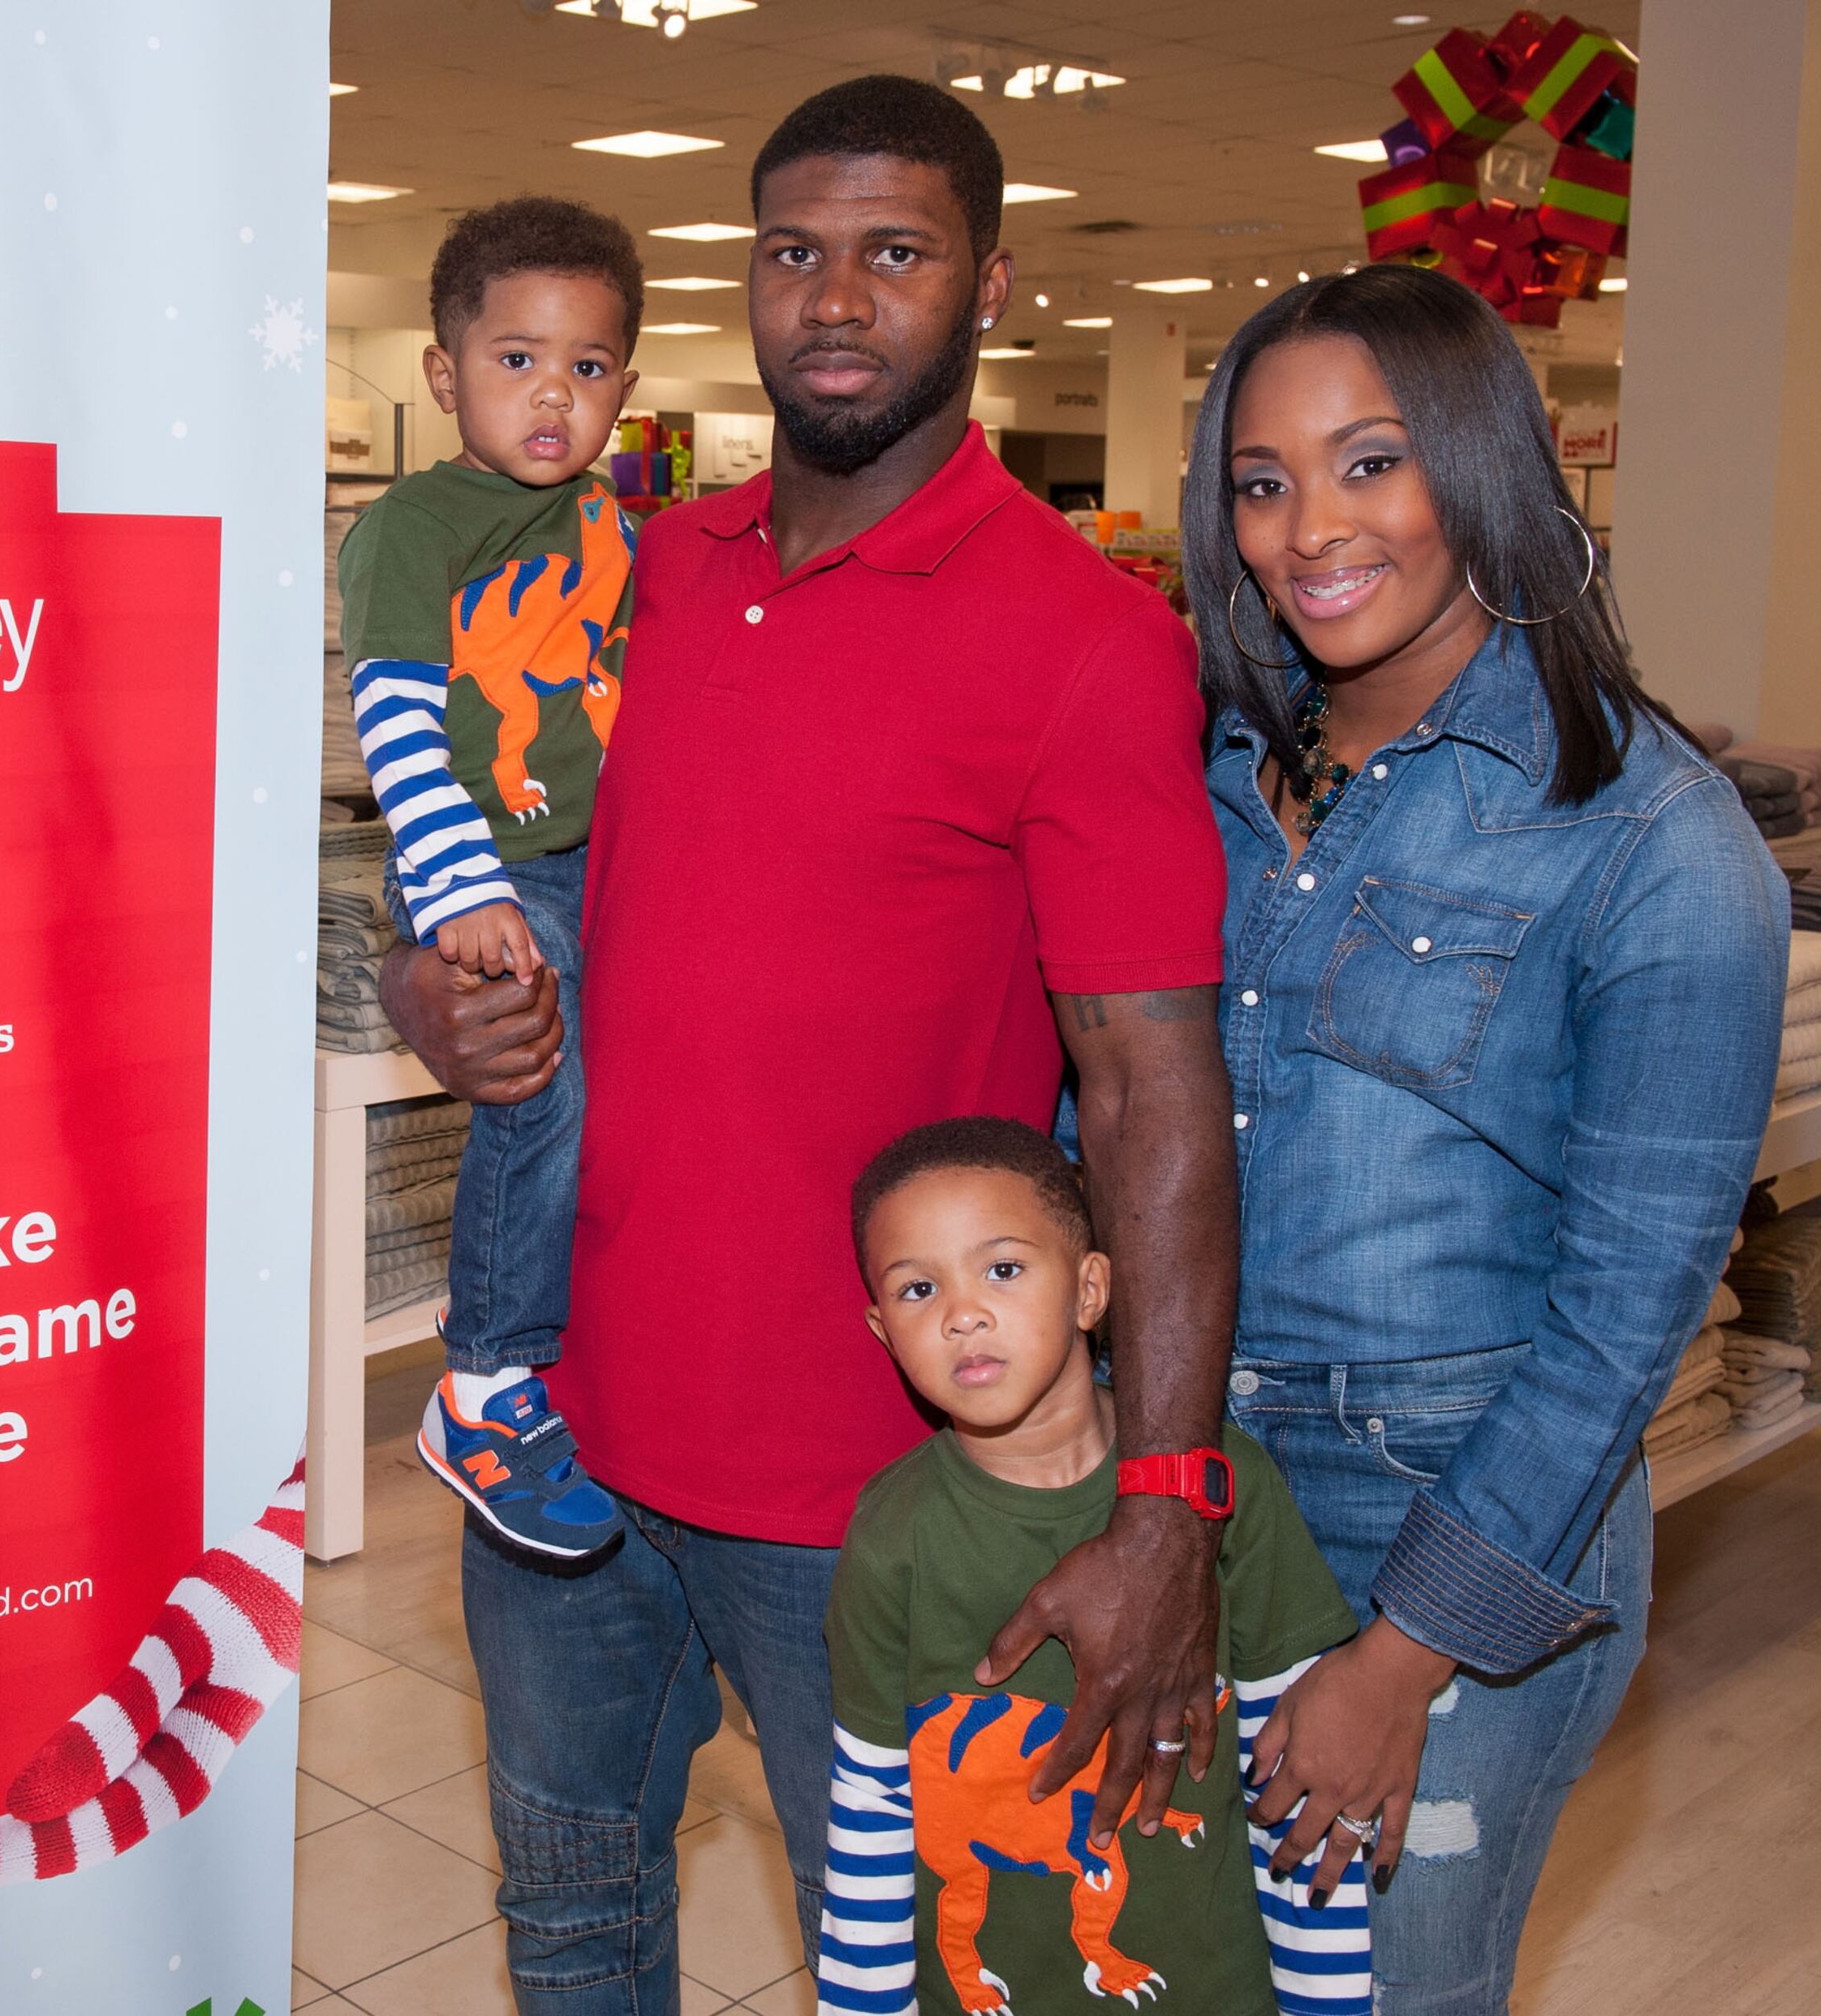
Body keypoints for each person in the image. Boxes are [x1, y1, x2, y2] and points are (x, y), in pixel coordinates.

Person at [378, 76, 1243, 2008]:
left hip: (871, 1481)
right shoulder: (630, 573)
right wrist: (428, 982)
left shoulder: (1089, 640)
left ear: (987, 284)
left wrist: (1163, 1500)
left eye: (894, 251)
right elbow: (491, 868)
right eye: (792, 252)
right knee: (571, 1917)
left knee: (921, 1963)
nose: (834, 298)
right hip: (558, 1439)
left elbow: (1152, 1092)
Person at [1181, 262, 1789, 2013]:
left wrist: (1401, 1659)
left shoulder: (1657, 843)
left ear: (1482, 465)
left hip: (1442, 1517)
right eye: (1264, 480)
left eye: (1372, 462)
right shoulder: (1215, 775)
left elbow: (1624, 1324)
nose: (1312, 527)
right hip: (1194, 1486)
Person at [816, 1118, 1370, 2016]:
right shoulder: (891, 1535)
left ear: (1089, 1289)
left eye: (1003, 1269)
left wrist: (1329, 2002)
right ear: (884, 1331)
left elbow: (1298, 1778)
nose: (962, 1314)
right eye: (919, 1288)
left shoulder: (1227, 1487)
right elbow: (871, 1810)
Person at [339, 196, 643, 1562]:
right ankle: (486, 1381)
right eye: (517, 359)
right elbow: (398, 723)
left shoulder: (601, 519)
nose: (553, 394)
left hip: (588, 860)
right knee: (538, 1069)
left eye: (588, 366)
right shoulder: (417, 523)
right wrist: (463, 887)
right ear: (443, 373)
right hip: (483, 862)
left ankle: (575, 1338)